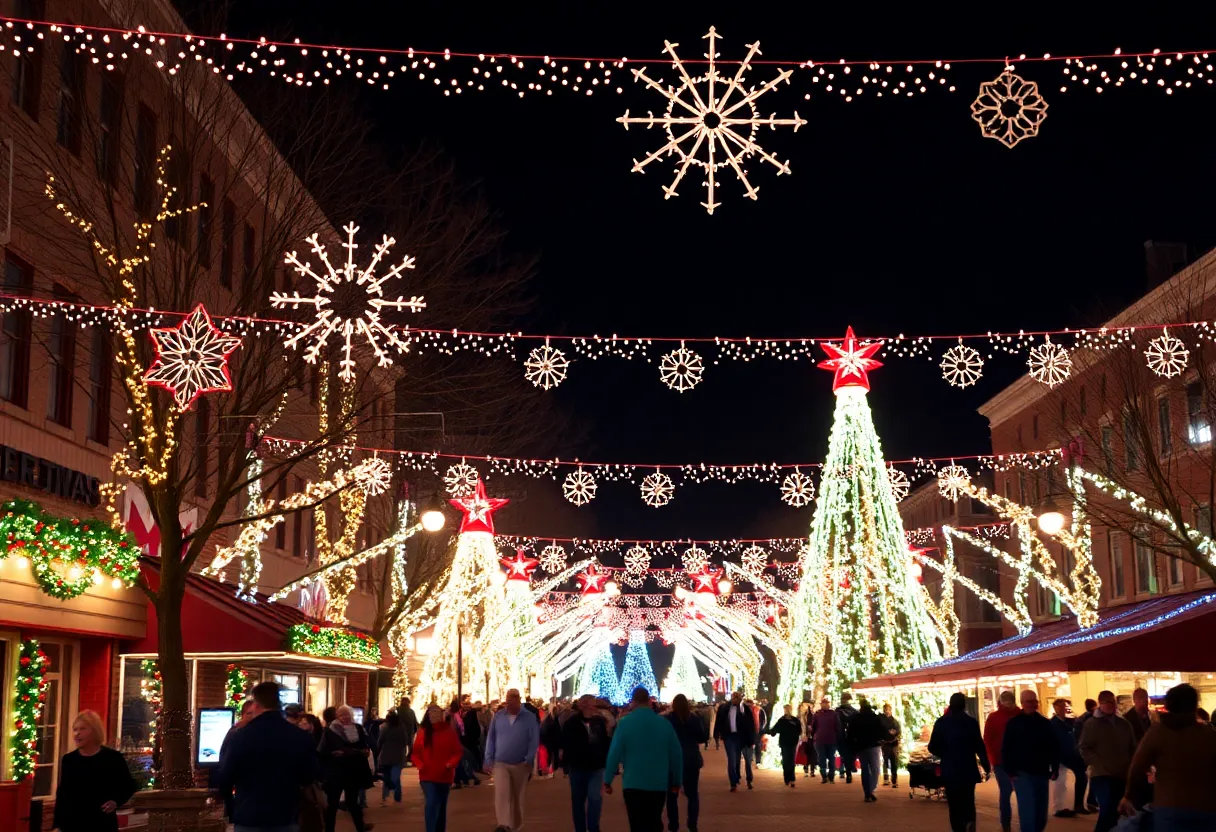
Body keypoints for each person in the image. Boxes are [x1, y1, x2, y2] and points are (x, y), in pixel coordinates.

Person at [212, 682, 321, 832]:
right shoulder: (300, 737)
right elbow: (309, 775)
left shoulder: (241, 737)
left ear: (256, 705)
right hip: (286, 815)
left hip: (249, 816)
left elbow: (226, 777)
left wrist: (231, 808)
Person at [1119, 683, 1216, 832]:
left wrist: (1129, 796)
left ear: (1169, 705)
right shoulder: (1209, 735)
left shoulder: (1158, 733)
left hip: (1169, 805)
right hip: (1205, 807)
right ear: (1194, 706)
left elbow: (1138, 766)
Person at [603, 686, 683, 832]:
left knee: (636, 823)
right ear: (649, 701)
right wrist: (677, 781)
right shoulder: (664, 724)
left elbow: (614, 753)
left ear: (633, 701)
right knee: (654, 821)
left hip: (633, 782)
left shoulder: (625, 724)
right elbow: (676, 754)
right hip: (657, 783)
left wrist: (607, 780)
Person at [52, 710, 137, 832]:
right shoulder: (69, 760)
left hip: (101, 822)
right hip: (72, 823)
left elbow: (129, 786)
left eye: (82, 729)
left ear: (94, 731)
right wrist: (57, 825)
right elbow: (63, 794)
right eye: (75, 730)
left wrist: (115, 801)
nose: (77, 734)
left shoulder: (112, 758)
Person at [928, 692, 991, 832]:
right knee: (969, 801)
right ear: (964, 705)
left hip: (950, 770)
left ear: (950, 705)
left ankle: (958, 829)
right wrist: (986, 766)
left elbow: (932, 747)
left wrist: (944, 753)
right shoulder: (971, 722)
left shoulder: (941, 722)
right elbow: (979, 746)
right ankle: (969, 823)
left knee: (954, 805)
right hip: (968, 769)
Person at [1078, 690, 1137, 832]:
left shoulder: (1124, 724)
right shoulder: (1092, 724)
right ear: (1100, 704)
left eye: (1112, 702)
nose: (1110, 705)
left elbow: (1132, 747)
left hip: (1121, 773)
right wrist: (1097, 763)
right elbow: (1084, 747)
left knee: (1117, 810)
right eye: (1107, 702)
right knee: (1107, 808)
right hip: (1102, 774)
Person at [1001, 689, 1059, 832]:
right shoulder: (1014, 724)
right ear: (1022, 703)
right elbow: (1006, 747)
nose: (1033, 704)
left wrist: (1055, 766)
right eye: (1029, 701)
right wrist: (1009, 770)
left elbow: (1053, 746)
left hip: (1041, 772)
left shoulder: (1044, 723)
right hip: (1022, 773)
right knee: (1028, 811)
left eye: (1035, 701)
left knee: (1040, 813)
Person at [484, 687, 540, 832]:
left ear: (519, 701)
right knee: (502, 793)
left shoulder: (529, 717)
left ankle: (515, 825)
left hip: (521, 763)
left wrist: (529, 758)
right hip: (501, 762)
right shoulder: (498, 716)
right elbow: (491, 737)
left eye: (513, 701)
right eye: (508, 701)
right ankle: (503, 824)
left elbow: (534, 739)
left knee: (517, 795)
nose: (509, 704)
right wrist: (488, 758)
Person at [318, 704, 375, 832]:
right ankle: (329, 829)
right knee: (332, 804)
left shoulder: (358, 729)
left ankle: (360, 826)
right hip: (336, 772)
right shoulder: (330, 730)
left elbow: (368, 745)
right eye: (341, 715)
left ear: (351, 716)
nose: (345, 717)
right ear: (337, 716)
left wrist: (362, 750)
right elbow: (322, 751)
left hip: (353, 771)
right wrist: (335, 753)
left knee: (352, 802)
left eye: (347, 715)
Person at [561, 694, 612, 832]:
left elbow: (605, 741)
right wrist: (567, 765)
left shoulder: (599, 722)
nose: (594, 707)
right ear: (582, 705)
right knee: (578, 801)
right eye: (591, 704)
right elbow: (565, 744)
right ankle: (580, 829)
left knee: (595, 798)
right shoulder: (571, 723)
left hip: (596, 768)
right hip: (578, 767)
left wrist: (606, 760)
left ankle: (593, 827)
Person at [411, 704, 464, 832]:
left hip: (444, 776)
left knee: (441, 808)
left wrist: (451, 763)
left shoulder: (449, 732)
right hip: (427, 776)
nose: (434, 716)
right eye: (432, 713)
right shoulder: (423, 732)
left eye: (437, 713)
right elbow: (415, 754)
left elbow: (457, 751)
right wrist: (419, 764)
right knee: (432, 803)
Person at [984, 690, 1019, 832]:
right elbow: (988, 739)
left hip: (1016, 760)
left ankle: (1009, 823)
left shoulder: (1019, 715)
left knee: (1010, 792)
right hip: (1001, 761)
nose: (1008, 705)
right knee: (1006, 792)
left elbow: (988, 740)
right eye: (1007, 702)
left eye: (1010, 702)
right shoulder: (994, 717)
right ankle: (1006, 824)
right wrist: (993, 758)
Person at [1049, 698, 1089, 818]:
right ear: (1055, 708)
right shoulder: (1053, 724)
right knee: (1060, 782)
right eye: (1060, 706)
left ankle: (1075, 805)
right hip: (1060, 756)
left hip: (1070, 754)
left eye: (1064, 706)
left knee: (1079, 776)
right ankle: (1059, 808)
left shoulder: (1068, 721)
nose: (1063, 709)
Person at [712, 691, 756, 791]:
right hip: (729, 737)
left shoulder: (745, 709)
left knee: (746, 760)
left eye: (738, 697)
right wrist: (717, 734)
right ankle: (733, 783)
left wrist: (751, 739)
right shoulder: (724, 708)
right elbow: (719, 721)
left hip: (742, 737)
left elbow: (750, 725)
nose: (735, 699)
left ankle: (748, 779)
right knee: (732, 759)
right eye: (734, 697)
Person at [849, 697, 885, 802]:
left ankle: (867, 792)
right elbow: (882, 730)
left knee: (865, 770)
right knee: (875, 769)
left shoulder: (855, 718)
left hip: (861, 747)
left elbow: (851, 733)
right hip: (874, 745)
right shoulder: (875, 717)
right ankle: (872, 789)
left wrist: (852, 746)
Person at [1073, 697, 1101, 813]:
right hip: (1091, 752)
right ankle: (1090, 802)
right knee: (1091, 777)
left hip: (1082, 752)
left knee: (1085, 778)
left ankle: (1083, 803)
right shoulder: (1093, 719)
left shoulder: (1080, 719)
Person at [767, 704, 804, 787]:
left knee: (790, 761)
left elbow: (799, 731)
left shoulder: (794, 720)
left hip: (791, 742)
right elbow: (775, 729)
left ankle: (790, 779)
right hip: (786, 743)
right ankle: (788, 778)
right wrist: (771, 731)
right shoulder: (783, 720)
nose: (786, 711)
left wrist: (772, 731)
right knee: (787, 761)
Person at [376, 711, 408, 805]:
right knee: (396, 778)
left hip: (386, 756)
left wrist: (378, 749)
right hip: (399, 756)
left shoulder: (385, 728)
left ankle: (385, 797)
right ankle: (397, 797)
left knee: (387, 777)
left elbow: (380, 741)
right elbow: (405, 741)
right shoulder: (402, 728)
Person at [809, 696, 843, 783]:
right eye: (823, 703)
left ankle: (830, 776)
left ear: (828, 704)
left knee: (829, 758)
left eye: (826, 703)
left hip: (828, 740)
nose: (824, 705)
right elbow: (814, 727)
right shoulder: (818, 714)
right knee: (823, 758)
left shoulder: (833, 714)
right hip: (822, 740)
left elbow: (838, 727)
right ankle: (825, 776)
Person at [836, 692, 860, 784]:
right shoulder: (854, 712)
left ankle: (847, 771)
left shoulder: (837, 711)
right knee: (850, 754)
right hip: (851, 736)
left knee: (844, 754)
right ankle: (849, 770)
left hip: (842, 736)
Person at [877, 703, 901, 788]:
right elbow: (879, 731)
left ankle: (894, 780)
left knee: (894, 762)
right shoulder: (880, 720)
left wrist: (895, 733)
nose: (887, 712)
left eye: (888, 710)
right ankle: (886, 778)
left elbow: (898, 731)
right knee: (885, 761)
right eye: (885, 710)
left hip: (894, 744)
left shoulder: (895, 721)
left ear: (891, 711)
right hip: (885, 744)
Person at [400, 698, 419, 766]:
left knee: (403, 747)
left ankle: (404, 760)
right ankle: (409, 759)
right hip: (409, 732)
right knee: (409, 746)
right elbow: (414, 722)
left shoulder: (398, 711)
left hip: (402, 732)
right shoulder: (411, 711)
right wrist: (415, 730)